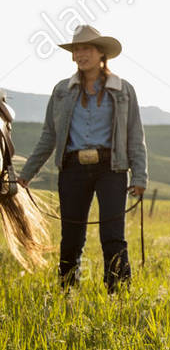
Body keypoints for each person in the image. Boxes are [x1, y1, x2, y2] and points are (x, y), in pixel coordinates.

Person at [18, 24, 148, 292]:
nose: (81, 54)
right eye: (77, 49)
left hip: (111, 168)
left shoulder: (123, 90)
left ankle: (118, 294)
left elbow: (135, 134)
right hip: (73, 169)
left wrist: (139, 175)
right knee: (71, 237)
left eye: (87, 48)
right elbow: (49, 137)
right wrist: (26, 174)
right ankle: (67, 291)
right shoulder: (62, 91)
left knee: (112, 236)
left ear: (101, 54)